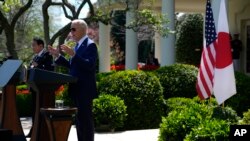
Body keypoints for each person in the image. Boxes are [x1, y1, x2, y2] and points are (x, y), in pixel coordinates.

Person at [48, 19, 98, 141]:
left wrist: (74, 55)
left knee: (86, 121)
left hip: (85, 90)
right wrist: (57, 56)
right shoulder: (77, 45)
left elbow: (89, 65)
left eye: (73, 29)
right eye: (71, 29)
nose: (71, 32)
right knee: (79, 122)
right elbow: (72, 65)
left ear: (82, 30)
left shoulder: (90, 45)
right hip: (76, 88)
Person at [27, 37, 54, 137]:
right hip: (35, 88)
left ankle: (40, 130)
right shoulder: (35, 56)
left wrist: (37, 66)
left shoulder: (47, 55)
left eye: (34, 45)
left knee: (39, 110)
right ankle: (34, 130)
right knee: (34, 110)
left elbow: (49, 69)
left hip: (43, 89)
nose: (32, 47)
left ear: (41, 46)